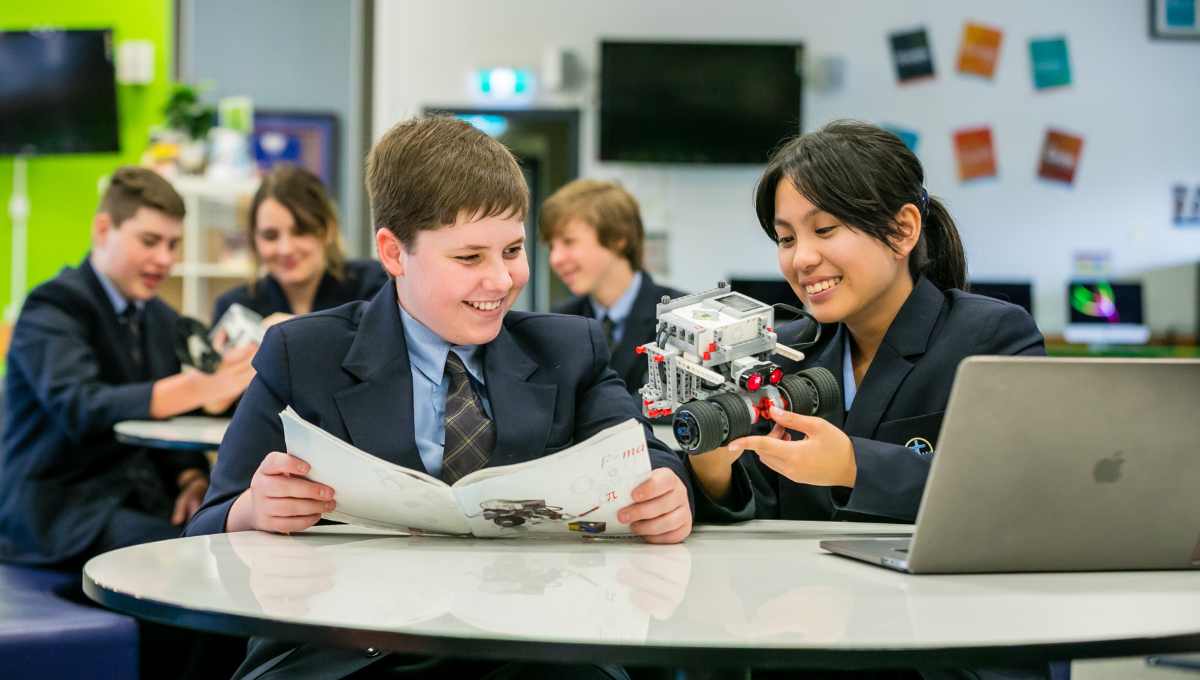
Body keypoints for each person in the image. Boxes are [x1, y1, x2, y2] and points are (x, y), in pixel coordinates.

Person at [186, 116, 694, 680]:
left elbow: (649, 457)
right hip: (349, 648)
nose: (501, 280)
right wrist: (254, 510)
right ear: (393, 252)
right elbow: (204, 530)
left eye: (513, 250)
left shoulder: (569, 349)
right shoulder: (303, 356)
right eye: (470, 258)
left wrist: (668, 490)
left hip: (531, 646)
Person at [689, 120, 1046, 525]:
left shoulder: (990, 336)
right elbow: (758, 508)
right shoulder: (784, 353)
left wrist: (853, 466)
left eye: (824, 230)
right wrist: (712, 466)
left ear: (901, 230)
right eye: (786, 239)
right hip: (800, 588)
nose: (801, 259)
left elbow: (1020, 492)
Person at [0, 166, 252, 679]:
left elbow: (172, 424)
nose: (164, 259)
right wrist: (200, 386)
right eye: (149, 241)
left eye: (174, 244)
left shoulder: (159, 318)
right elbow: (82, 407)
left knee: (228, 555)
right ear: (102, 230)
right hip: (59, 510)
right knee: (187, 565)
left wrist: (190, 476)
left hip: (133, 502)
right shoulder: (53, 307)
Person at [540, 179, 684, 396]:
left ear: (618, 238)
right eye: (552, 247)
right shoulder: (559, 321)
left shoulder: (680, 319)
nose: (555, 258)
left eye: (568, 242)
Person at [211, 164, 387, 328]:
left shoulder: (373, 285)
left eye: (301, 231)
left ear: (329, 229)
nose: (285, 249)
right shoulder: (234, 308)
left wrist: (296, 331)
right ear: (253, 239)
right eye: (270, 236)